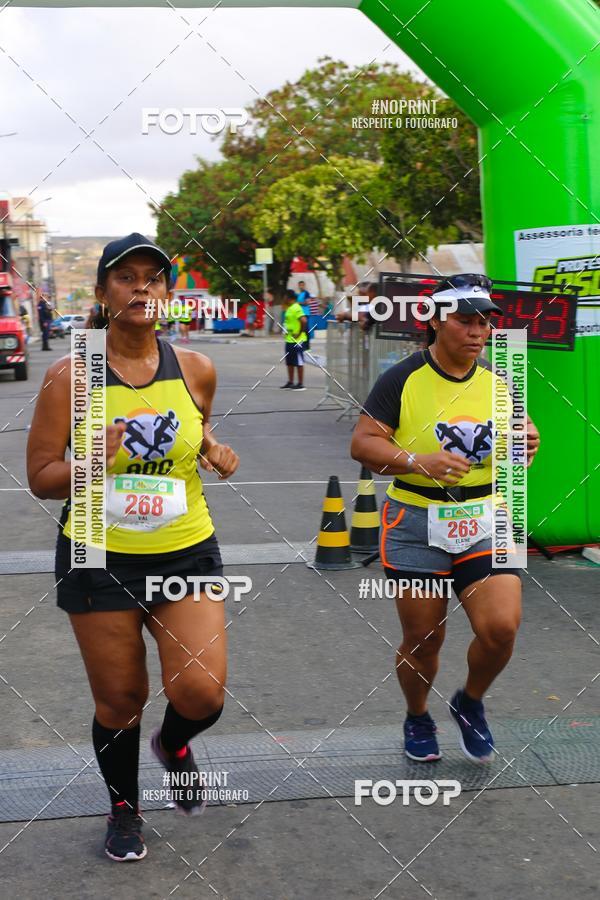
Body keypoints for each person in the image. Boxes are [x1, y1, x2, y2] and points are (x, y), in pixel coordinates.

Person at [26, 233, 239, 862]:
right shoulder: (72, 374)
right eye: (126, 278)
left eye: (154, 277)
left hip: (184, 549)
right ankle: (125, 808)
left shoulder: (195, 366)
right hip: (97, 550)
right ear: (102, 293)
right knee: (120, 700)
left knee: (201, 692)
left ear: (168, 294)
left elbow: (193, 432)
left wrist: (213, 451)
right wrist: (95, 459)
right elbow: (41, 476)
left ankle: (174, 745)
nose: (141, 287)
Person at [350, 274, 540, 764]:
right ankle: (417, 715)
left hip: (486, 514)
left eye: (484, 323)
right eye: (465, 321)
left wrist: (527, 443)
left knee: (501, 628)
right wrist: (418, 461)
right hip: (416, 520)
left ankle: (469, 702)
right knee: (424, 636)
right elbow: (363, 444)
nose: (478, 332)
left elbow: (520, 436)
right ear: (435, 320)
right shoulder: (402, 378)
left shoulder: (500, 381)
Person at [280, 288, 307, 391]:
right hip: (289, 340)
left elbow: (303, 321)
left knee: (299, 362)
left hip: (297, 341)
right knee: (289, 362)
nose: (283, 298)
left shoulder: (296, 307)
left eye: (284, 296)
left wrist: (299, 333)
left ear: (288, 297)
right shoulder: (289, 308)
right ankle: (290, 382)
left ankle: (300, 384)